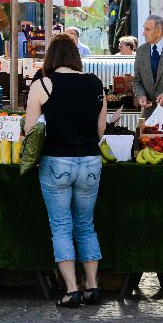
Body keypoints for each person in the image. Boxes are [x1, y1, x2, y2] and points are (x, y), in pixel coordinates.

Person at [23, 33, 107, 308]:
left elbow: (30, 131)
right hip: (91, 161)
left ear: (50, 58)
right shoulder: (95, 83)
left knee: (61, 226)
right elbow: (101, 129)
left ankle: (71, 290)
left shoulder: (42, 85)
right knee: (86, 224)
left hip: (57, 160)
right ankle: (92, 286)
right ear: (75, 57)